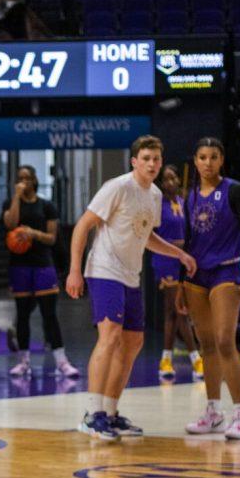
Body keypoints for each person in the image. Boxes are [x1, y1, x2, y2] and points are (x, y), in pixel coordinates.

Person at [66, 136, 196, 441]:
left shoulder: (154, 196)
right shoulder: (117, 187)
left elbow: (146, 235)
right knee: (109, 336)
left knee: (133, 343)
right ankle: (92, 414)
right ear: (134, 161)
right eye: (146, 158)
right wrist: (74, 270)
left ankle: (110, 412)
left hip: (130, 274)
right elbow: (83, 226)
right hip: (104, 270)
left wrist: (179, 253)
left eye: (156, 159)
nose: (151, 163)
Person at [178, 138, 240, 440]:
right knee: (207, 345)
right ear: (196, 161)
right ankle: (213, 412)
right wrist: (179, 281)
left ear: (221, 160)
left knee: (226, 341)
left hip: (227, 271)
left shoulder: (235, 191)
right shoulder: (190, 197)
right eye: (202, 157)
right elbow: (187, 240)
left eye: (214, 157)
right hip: (195, 275)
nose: (208, 162)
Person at [3, 165, 80, 378]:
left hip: (43, 264)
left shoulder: (46, 206)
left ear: (35, 180)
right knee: (22, 315)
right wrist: (17, 198)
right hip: (19, 266)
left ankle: (62, 361)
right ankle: (24, 361)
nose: (24, 182)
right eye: (20, 178)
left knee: (49, 315)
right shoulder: (10, 204)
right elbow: (10, 224)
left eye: (27, 178)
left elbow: (51, 238)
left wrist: (33, 233)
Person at [150, 165, 202, 381]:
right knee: (180, 310)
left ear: (179, 180)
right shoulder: (156, 205)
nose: (169, 182)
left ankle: (166, 359)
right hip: (166, 261)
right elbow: (152, 236)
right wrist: (179, 245)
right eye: (165, 179)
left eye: (173, 178)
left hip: (183, 261)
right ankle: (196, 359)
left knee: (171, 313)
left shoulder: (183, 202)